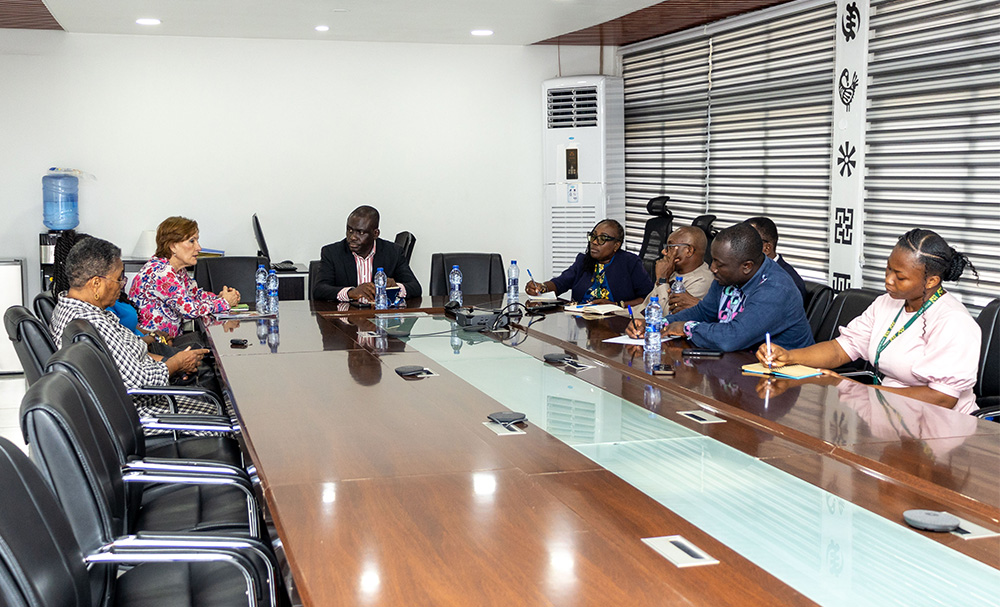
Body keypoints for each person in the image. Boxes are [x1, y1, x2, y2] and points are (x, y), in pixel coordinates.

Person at [757, 229, 981, 414]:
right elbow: (840, 349)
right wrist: (789, 356)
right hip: (890, 413)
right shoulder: (887, 303)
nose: (888, 281)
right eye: (888, 269)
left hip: (942, 431)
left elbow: (942, 398)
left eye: (900, 277)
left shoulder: (954, 322)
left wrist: (859, 391)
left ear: (932, 281)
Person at [48, 237, 215, 417]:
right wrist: (176, 364)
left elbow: (130, 357)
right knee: (221, 416)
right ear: (96, 283)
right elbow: (139, 384)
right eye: (119, 278)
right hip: (142, 414)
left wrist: (172, 363)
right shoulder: (91, 322)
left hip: (136, 402)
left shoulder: (73, 307)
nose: (122, 285)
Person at [627, 222, 814, 351]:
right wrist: (657, 325)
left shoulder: (775, 289)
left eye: (719, 263)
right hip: (740, 367)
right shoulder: (726, 278)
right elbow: (702, 312)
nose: (713, 269)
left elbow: (733, 337)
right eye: (713, 260)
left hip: (783, 378)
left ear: (746, 266)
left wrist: (686, 328)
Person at [129, 216, 240, 338]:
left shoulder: (176, 270)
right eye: (192, 241)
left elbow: (194, 295)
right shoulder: (161, 272)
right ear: (172, 246)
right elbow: (189, 309)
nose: (199, 247)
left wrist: (220, 297)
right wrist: (224, 302)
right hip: (154, 345)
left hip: (169, 340)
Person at [525, 219, 653, 307]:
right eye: (593, 236)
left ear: (616, 245)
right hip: (584, 322)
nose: (595, 242)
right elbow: (561, 283)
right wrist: (542, 287)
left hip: (616, 323)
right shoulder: (583, 261)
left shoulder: (630, 263)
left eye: (602, 239)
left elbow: (648, 299)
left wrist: (617, 305)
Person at [313, 205, 422, 302]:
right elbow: (319, 290)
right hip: (346, 320)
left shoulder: (393, 252)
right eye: (350, 230)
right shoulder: (332, 252)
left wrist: (395, 287)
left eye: (360, 232)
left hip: (380, 319)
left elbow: (415, 288)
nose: (352, 237)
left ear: (375, 234)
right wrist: (351, 292)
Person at [635, 226, 713, 314]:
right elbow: (648, 304)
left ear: (689, 251)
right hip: (638, 316)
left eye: (670, 247)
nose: (664, 252)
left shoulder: (702, 281)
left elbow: (665, 317)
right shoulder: (673, 270)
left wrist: (663, 279)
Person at [745, 216, 807, 300]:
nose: (740, 248)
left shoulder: (787, 283)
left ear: (766, 248)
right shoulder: (746, 272)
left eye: (746, 243)